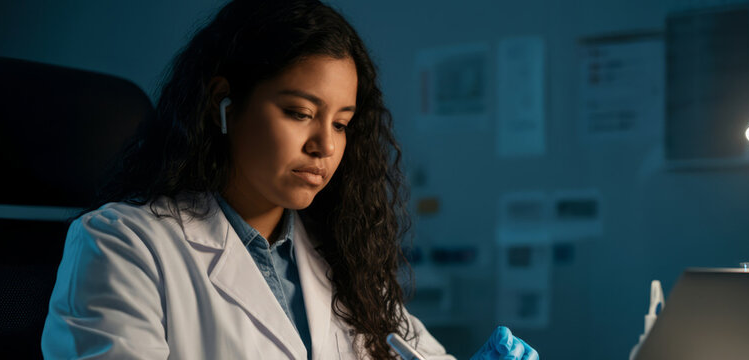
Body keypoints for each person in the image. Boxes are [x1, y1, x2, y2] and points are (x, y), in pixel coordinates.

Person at [41, 0, 538, 359]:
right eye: (300, 112)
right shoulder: (124, 246)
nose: (324, 145)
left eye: (341, 123)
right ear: (224, 105)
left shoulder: (341, 259)